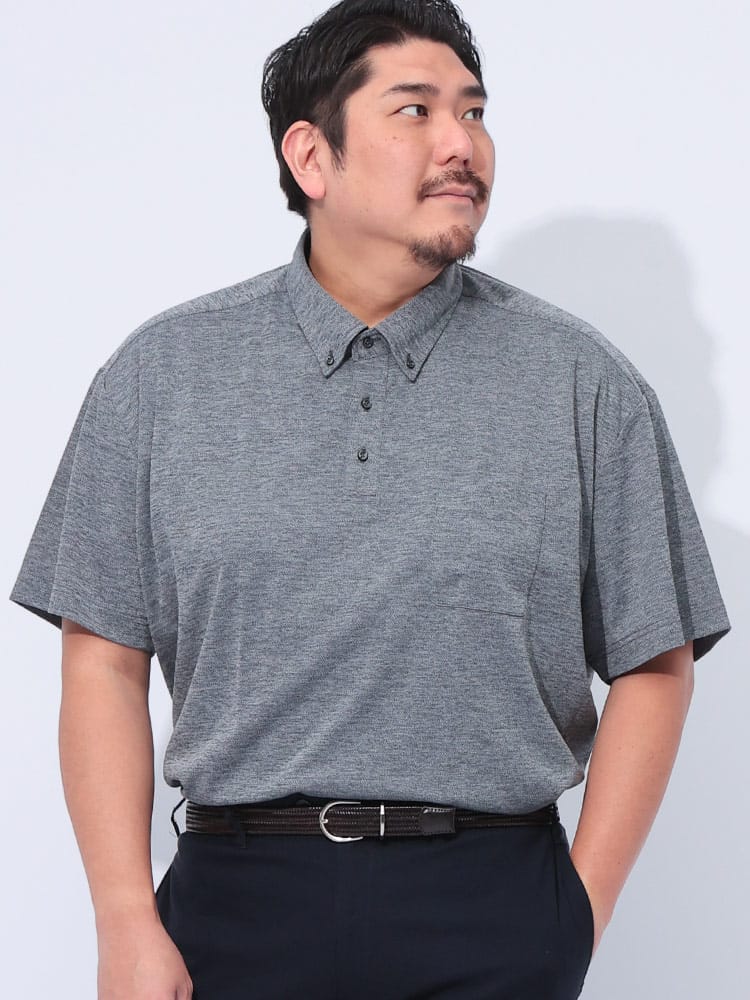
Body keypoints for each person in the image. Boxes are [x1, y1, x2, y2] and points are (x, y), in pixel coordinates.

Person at [9, 1, 732, 998]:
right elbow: (102, 659)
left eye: (473, 112)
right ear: (312, 157)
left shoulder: (582, 382)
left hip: (494, 906)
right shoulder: (161, 375)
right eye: (416, 110)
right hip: (232, 909)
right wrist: (124, 914)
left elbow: (656, 659)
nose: (461, 143)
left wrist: (576, 911)